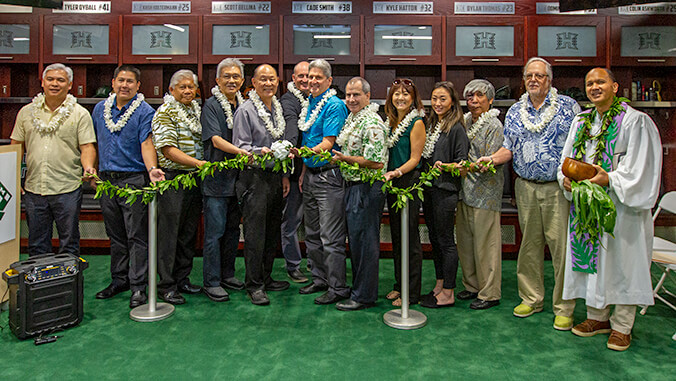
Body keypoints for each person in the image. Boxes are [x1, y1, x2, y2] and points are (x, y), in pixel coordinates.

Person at [559, 68, 662, 351]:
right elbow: (567, 157)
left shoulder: (635, 122)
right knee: (593, 263)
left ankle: (622, 325)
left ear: (615, 87)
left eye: (600, 82)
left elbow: (642, 168)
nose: (594, 87)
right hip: (586, 206)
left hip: (621, 208)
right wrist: (565, 179)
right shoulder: (581, 122)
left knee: (622, 264)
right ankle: (597, 317)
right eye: (589, 83)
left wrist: (610, 178)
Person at [478, 57, 580, 330]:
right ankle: (531, 298)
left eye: (539, 75)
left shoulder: (568, 108)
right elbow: (508, 147)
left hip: (558, 187)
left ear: (549, 79)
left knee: (560, 248)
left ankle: (564, 307)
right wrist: (491, 159)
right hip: (525, 187)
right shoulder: (514, 111)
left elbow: (579, 147)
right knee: (530, 246)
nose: (534, 80)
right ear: (523, 80)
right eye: (529, 76)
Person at [92, 65, 164, 308]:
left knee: (136, 236)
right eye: (121, 80)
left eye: (130, 81)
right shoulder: (99, 109)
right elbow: (92, 143)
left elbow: (146, 142)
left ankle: (137, 287)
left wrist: (152, 168)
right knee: (115, 234)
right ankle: (119, 280)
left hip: (133, 179)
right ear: (112, 83)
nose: (125, 85)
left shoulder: (145, 111)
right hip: (106, 180)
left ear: (138, 86)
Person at [10, 63, 96, 257]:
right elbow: (16, 146)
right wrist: (13, 179)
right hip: (34, 188)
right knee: (37, 242)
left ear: (70, 85)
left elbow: (87, 146)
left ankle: (68, 285)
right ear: (42, 83)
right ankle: (41, 285)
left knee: (69, 242)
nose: (55, 84)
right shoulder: (26, 112)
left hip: (67, 188)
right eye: (50, 79)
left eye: (60, 80)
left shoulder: (80, 113)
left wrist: (89, 168)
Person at [233, 64, 292, 306]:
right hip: (254, 178)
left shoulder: (276, 108)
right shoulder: (246, 110)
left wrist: (284, 170)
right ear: (254, 83)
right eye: (263, 79)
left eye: (272, 79)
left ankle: (266, 277)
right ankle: (254, 284)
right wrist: (262, 152)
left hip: (275, 177)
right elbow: (241, 148)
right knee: (255, 235)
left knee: (271, 231)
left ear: (278, 82)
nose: (268, 83)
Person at [296, 59, 350, 305]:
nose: (312, 81)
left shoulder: (335, 105)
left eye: (318, 77)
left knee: (331, 237)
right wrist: (303, 170)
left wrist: (302, 155)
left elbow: (328, 142)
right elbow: (308, 137)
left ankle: (337, 287)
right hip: (310, 175)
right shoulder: (309, 103)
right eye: (310, 77)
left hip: (329, 176)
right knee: (312, 233)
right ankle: (319, 278)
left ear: (329, 81)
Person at [332, 77, 388, 311]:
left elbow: (374, 162)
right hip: (353, 186)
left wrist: (345, 159)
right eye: (348, 95)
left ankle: (364, 296)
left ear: (367, 96)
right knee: (356, 241)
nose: (351, 99)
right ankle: (359, 289)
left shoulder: (372, 121)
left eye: (356, 95)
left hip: (367, 188)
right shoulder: (354, 118)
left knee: (365, 243)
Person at [152, 69, 205, 305]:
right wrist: (197, 163)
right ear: (171, 90)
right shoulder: (165, 112)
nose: (187, 91)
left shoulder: (194, 110)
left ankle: (182, 278)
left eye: (191, 87)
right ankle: (166, 285)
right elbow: (167, 150)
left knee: (187, 233)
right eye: (182, 87)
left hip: (193, 178)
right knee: (169, 234)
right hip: (173, 179)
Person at [201, 58, 248, 302]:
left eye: (236, 76)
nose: (231, 80)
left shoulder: (244, 103)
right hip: (217, 180)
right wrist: (244, 153)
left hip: (237, 181)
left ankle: (228, 274)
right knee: (215, 233)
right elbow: (216, 140)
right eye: (226, 76)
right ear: (217, 80)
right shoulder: (211, 105)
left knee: (232, 231)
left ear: (242, 80)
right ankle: (211, 281)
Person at [419, 81, 469, 309]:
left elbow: (462, 164)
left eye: (443, 99)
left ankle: (449, 291)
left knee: (446, 241)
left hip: (445, 192)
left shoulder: (456, 128)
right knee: (435, 240)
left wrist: (445, 166)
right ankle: (439, 284)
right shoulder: (431, 125)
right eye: (435, 99)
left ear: (452, 102)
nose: (438, 103)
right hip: (429, 190)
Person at [456, 79, 504, 310]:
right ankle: (472, 285)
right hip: (464, 191)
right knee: (466, 242)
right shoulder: (465, 121)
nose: (473, 101)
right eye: (470, 97)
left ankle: (489, 293)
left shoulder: (493, 125)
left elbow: (490, 161)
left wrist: (465, 167)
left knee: (487, 245)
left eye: (479, 97)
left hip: (486, 192)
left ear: (490, 100)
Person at [382, 78, 426, 307]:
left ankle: (412, 292)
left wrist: (396, 173)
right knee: (397, 237)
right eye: (396, 93)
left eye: (405, 94)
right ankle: (400, 285)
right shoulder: (390, 122)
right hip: (391, 183)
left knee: (410, 238)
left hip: (407, 181)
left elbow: (415, 159)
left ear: (413, 98)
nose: (400, 97)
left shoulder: (416, 122)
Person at [279, 61, 310, 283]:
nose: (305, 80)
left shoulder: (318, 100)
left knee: (315, 223)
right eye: (300, 76)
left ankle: (315, 264)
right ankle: (293, 265)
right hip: (291, 172)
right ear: (293, 78)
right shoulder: (287, 101)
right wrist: (285, 175)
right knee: (291, 222)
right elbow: (289, 131)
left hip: (312, 169)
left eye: (309, 76)